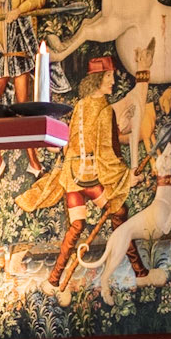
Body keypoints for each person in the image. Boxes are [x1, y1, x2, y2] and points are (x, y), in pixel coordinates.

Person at [18, 57, 143, 295]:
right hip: (91, 179)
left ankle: (53, 280)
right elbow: (108, 152)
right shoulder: (105, 110)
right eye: (109, 77)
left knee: (76, 226)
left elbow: (73, 144)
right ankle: (140, 273)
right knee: (119, 212)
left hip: (73, 178)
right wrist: (127, 176)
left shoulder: (80, 107)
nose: (113, 82)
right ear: (98, 80)